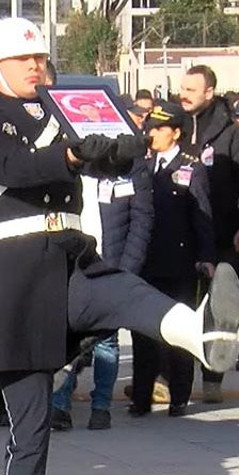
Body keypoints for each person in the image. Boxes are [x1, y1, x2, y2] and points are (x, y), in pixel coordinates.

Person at [0, 17, 239, 475]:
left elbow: (110, 158)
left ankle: (201, 333)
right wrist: (68, 157)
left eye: (40, 57)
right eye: (23, 59)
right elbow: (10, 169)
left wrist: (125, 144)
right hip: (13, 280)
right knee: (31, 431)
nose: (36, 65)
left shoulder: (63, 109)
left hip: (67, 257)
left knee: (125, 291)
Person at [50, 123, 154, 431]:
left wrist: (127, 269)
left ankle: (101, 406)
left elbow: (141, 221)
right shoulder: (72, 163)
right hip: (72, 261)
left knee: (107, 342)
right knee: (67, 338)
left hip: (111, 262)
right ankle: (60, 404)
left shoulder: (132, 167)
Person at [177, 65, 239, 404]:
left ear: (209, 92)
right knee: (181, 307)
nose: (184, 95)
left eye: (191, 90)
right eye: (182, 88)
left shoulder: (231, 133)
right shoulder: (176, 126)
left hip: (224, 235)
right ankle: (175, 380)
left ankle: (213, 377)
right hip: (182, 235)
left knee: (217, 308)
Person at [126, 103, 215, 418]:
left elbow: (202, 214)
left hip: (179, 261)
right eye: (150, 128)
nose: (152, 134)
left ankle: (179, 395)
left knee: (179, 331)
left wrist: (206, 256)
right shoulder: (142, 164)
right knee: (143, 331)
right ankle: (141, 397)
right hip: (146, 260)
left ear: (175, 132)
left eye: (159, 129)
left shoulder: (191, 166)